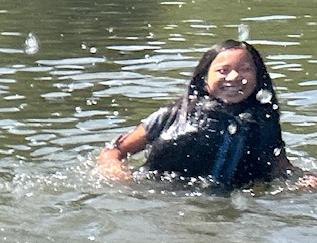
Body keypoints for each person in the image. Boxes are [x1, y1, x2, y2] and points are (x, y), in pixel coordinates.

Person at [99, 40, 310, 191]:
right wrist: (116, 172)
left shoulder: (264, 123)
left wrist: (302, 179)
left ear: (258, 78)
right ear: (204, 80)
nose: (234, 77)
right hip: (162, 199)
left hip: (232, 205)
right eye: (222, 71)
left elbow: (281, 167)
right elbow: (114, 150)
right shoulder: (173, 116)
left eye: (245, 69)